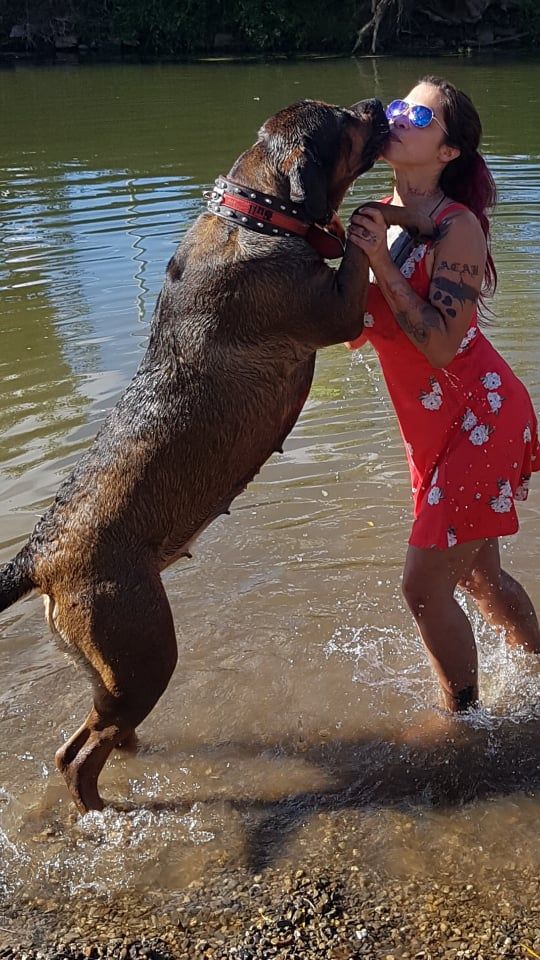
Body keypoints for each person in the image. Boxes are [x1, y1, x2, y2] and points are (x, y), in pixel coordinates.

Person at [345, 75, 540, 713]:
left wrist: (377, 264)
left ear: (448, 152)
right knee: (481, 579)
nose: (396, 116)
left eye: (417, 115)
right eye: (396, 106)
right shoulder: (388, 213)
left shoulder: (459, 230)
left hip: (479, 419)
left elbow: (440, 346)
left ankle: (465, 722)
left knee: (424, 590)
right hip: (433, 428)